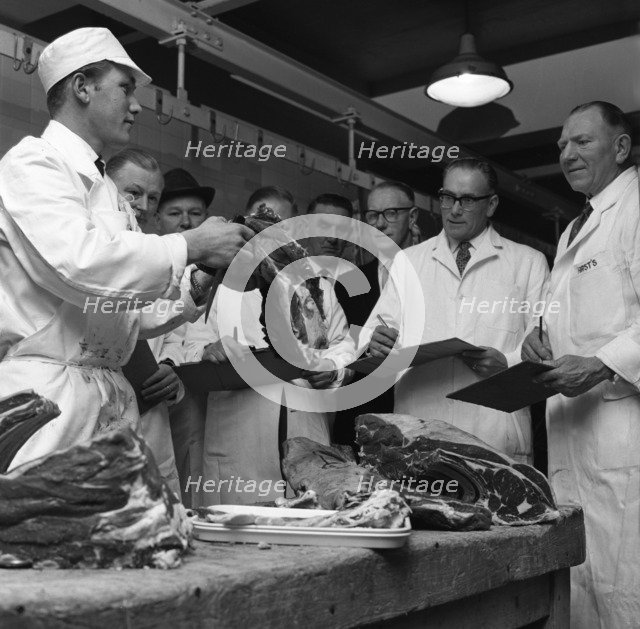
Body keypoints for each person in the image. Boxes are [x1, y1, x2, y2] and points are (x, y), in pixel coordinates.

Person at [0, 27, 252, 469]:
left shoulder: (106, 190)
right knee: (52, 533)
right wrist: (190, 244)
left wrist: (199, 276)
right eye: (124, 88)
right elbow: (80, 265)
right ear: (82, 87)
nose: (136, 106)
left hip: (106, 393)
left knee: (125, 533)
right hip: (48, 397)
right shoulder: (33, 163)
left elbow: (122, 307)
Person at [521, 101, 638, 629]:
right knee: (581, 593)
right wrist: (536, 340)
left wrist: (601, 364)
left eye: (582, 142)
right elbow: (566, 319)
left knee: (625, 590)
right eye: (561, 146)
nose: (567, 154)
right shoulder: (572, 231)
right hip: (573, 445)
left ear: (620, 146)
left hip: (623, 442)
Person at [362, 158, 549, 462]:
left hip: (495, 433)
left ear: (491, 204)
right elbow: (376, 331)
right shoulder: (408, 261)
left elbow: (542, 348)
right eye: (447, 197)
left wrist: (507, 362)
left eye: (468, 199)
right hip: (419, 431)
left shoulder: (528, 262)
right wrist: (375, 342)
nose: (454, 209)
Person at [183, 187, 356, 506]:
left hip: (306, 435)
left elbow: (342, 351)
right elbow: (188, 348)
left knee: (309, 540)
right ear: (242, 226)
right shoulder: (216, 285)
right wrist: (207, 353)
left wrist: (333, 373)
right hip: (240, 440)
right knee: (240, 541)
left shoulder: (317, 287)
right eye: (261, 222)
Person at [332, 182, 418, 449]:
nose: (380, 224)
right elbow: (341, 351)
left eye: (391, 213)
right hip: (361, 423)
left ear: (412, 216)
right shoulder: (348, 283)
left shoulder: (430, 275)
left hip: (415, 416)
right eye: (372, 216)